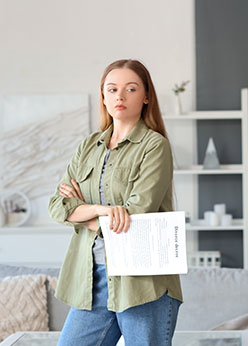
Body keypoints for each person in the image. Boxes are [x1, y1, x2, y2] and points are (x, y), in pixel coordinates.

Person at [48, 59, 181, 346]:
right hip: (92, 279)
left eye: (130, 89)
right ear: (104, 96)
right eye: (112, 89)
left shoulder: (155, 146)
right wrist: (101, 211)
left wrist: (84, 214)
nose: (119, 96)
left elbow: (136, 213)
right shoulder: (87, 146)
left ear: (146, 97)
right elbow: (58, 206)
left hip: (143, 282)